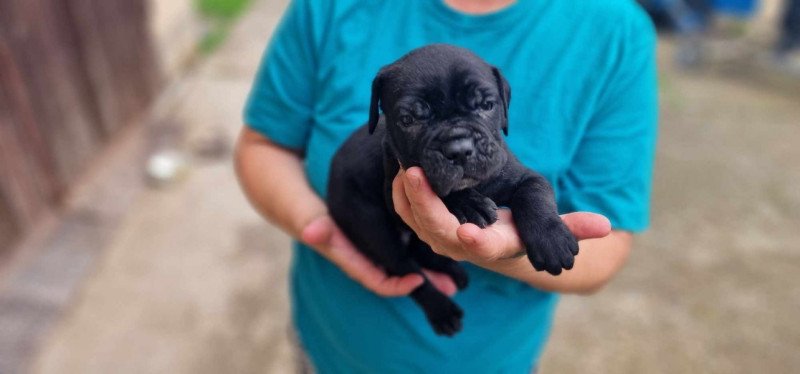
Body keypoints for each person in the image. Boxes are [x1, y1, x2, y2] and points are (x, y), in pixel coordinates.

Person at [235, 0, 658, 372]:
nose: (459, 143)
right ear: (380, 113)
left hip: (499, 360)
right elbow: (262, 145)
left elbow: (540, 192)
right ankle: (423, 290)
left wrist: (534, 230)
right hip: (338, 330)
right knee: (387, 243)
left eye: (483, 106)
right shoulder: (327, 7)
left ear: (503, 103)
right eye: (414, 116)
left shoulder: (616, 30)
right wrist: (319, 228)